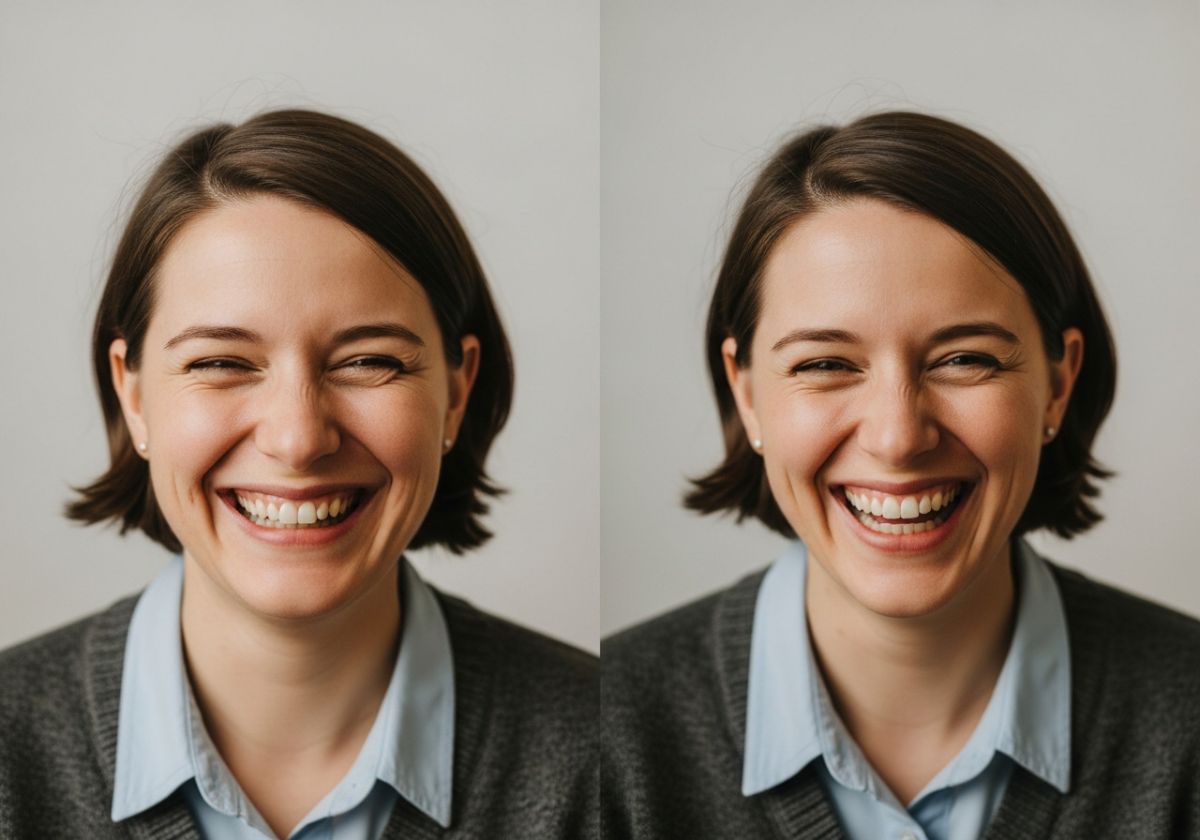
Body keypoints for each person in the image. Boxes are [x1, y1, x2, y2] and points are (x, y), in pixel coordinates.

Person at [0, 109, 596, 839]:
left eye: (369, 361)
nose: (298, 437)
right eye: (220, 363)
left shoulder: (602, 757)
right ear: (133, 395)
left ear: (457, 392)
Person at [602, 112, 1200, 838]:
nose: (897, 438)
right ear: (748, 392)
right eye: (825, 364)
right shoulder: (608, 732)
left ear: (1058, 383)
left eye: (965, 358)